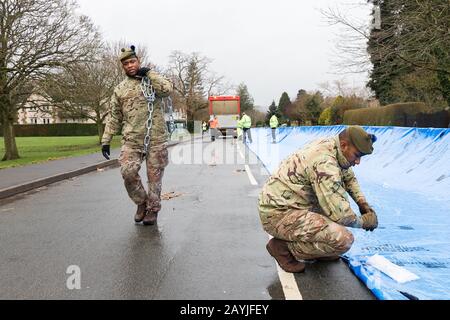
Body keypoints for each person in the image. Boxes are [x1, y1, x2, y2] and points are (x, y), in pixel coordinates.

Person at [258, 126, 378, 273]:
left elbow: (349, 177)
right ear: (344, 145)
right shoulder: (324, 162)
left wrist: (362, 203)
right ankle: (283, 248)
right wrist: (365, 222)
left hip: (292, 204)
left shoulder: (334, 147)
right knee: (343, 239)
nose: (358, 161)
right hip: (279, 214)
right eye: (357, 155)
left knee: (331, 228)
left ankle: (319, 250)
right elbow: (341, 214)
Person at [101, 46, 173, 226]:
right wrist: (106, 140)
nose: (130, 65)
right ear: (122, 67)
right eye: (126, 64)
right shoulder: (120, 89)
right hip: (131, 140)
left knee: (154, 178)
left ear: (138, 61)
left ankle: (153, 210)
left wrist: (149, 73)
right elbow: (114, 116)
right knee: (128, 173)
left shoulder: (151, 82)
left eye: (132, 61)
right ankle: (141, 202)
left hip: (155, 138)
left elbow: (166, 89)